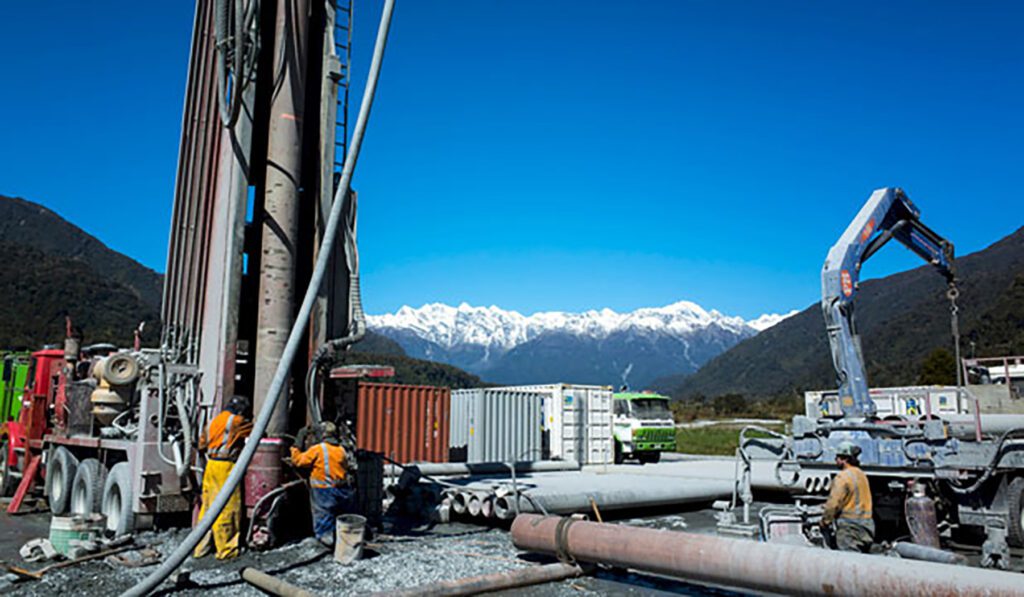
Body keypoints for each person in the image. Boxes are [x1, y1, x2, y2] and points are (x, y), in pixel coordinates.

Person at [193, 395, 253, 560]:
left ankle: (200, 548)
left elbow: (201, 444)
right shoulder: (236, 421)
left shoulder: (213, 421)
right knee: (228, 508)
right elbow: (255, 432)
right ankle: (226, 551)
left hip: (211, 465)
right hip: (225, 467)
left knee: (207, 508)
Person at [290, 421, 356, 545]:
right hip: (342, 489)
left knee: (324, 516)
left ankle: (325, 540)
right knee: (337, 515)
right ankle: (340, 539)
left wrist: (296, 445)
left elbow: (297, 461)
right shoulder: (341, 449)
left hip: (323, 489)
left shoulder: (318, 449)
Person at [820, 441, 874, 552]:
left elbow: (833, 503)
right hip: (867, 525)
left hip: (850, 528)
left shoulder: (842, 477)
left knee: (849, 562)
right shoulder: (861, 475)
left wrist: (825, 521)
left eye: (837, 457)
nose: (836, 460)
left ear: (845, 459)